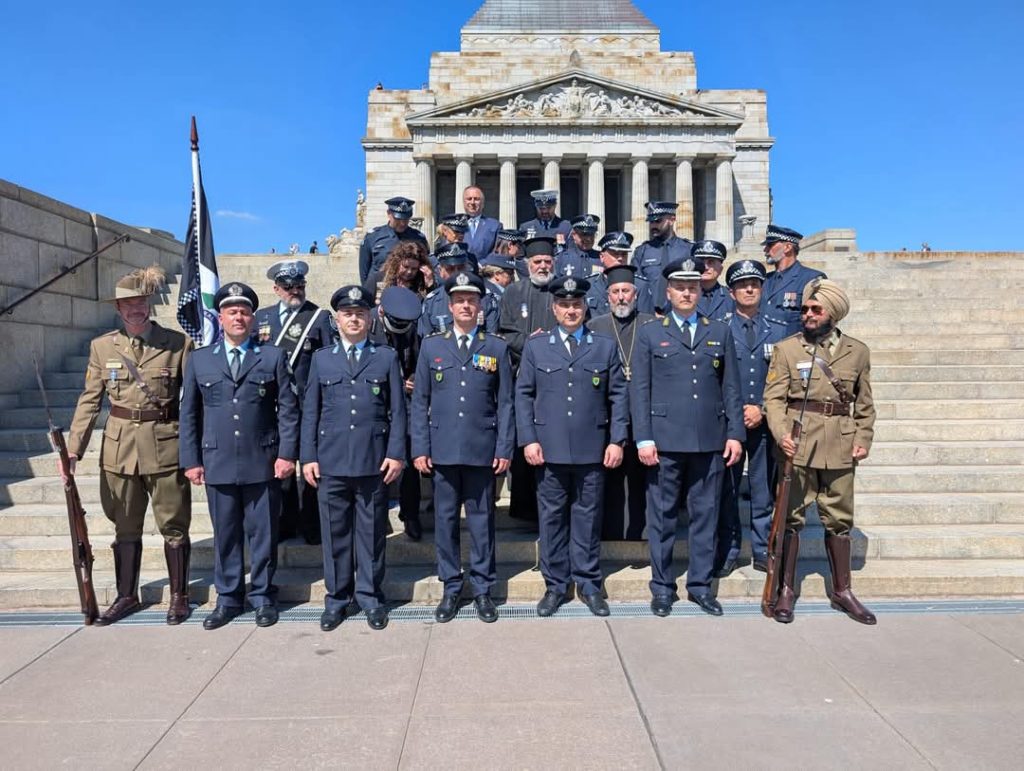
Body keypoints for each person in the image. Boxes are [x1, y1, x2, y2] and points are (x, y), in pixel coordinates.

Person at [66, 265, 193, 625]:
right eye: (128, 304)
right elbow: (90, 400)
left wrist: (195, 449)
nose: (135, 309)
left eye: (141, 303)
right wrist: (73, 449)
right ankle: (126, 596)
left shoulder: (177, 343)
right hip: (120, 449)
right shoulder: (102, 346)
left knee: (174, 524)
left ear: (149, 304)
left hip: (165, 444)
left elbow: (193, 401)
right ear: (118, 309)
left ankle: (179, 596)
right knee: (124, 526)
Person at [179, 282, 299, 630]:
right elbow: (189, 414)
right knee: (226, 535)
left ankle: (262, 596)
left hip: (263, 461)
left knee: (264, 534)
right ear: (220, 317)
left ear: (252, 318)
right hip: (217, 461)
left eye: (244, 312)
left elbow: (288, 410)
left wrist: (287, 454)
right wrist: (191, 460)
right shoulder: (200, 360)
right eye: (232, 312)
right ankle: (228, 598)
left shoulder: (272, 356)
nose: (238, 317)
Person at [632, 256, 745, 617]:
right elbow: (640, 390)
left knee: (705, 516)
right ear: (668, 292)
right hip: (664, 441)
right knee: (662, 519)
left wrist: (735, 434)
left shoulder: (719, 331)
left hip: (709, 439)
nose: (686, 293)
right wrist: (643, 438)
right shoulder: (651, 332)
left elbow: (731, 387)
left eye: (692, 287)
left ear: (700, 291)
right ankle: (662, 588)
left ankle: (700, 586)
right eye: (680, 287)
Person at [763, 278, 877, 625]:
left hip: (840, 442)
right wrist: (781, 433)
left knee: (839, 519)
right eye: (805, 309)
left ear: (833, 314)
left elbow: (865, 404)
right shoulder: (787, 349)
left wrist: (863, 437)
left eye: (816, 309)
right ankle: (786, 590)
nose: (808, 315)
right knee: (791, 517)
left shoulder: (857, 352)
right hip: (799, 444)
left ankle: (842, 591)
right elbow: (774, 400)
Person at [515, 275, 629, 617]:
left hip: (592, 448)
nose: (570, 310)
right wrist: (528, 439)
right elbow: (523, 395)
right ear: (554, 309)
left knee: (588, 519)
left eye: (576, 304)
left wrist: (617, 440)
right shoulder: (537, 347)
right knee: (551, 520)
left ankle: (589, 584)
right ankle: (555, 585)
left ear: (584, 307)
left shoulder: (604, 346)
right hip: (548, 450)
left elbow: (618, 396)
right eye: (564, 305)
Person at [302, 285, 406, 632]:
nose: (354, 319)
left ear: (370, 318)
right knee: (335, 535)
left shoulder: (385, 357)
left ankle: (371, 597)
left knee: (372, 533)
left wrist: (396, 453)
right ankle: (337, 599)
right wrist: (308, 456)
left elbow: (398, 411)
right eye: (348, 314)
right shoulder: (322, 359)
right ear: (337, 320)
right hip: (330, 461)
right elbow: (311, 411)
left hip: (373, 461)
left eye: (360, 313)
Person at [412, 272, 514, 623]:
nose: (466, 306)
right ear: (450, 306)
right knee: (444, 522)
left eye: (472, 300)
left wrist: (504, 447)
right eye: (460, 300)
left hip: (482, 449)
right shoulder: (432, 347)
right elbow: (420, 401)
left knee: (482, 521)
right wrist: (420, 447)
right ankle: (451, 587)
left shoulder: (496, 347)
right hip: (441, 450)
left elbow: (505, 403)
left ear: (480, 305)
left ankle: (483, 588)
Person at [713, 260, 788, 577]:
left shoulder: (780, 328)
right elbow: (712, 378)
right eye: (742, 285)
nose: (749, 289)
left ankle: (762, 549)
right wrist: (736, 411)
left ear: (762, 288)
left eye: (754, 284)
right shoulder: (718, 327)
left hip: (764, 422)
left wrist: (762, 408)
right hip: (729, 423)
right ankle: (729, 549)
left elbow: (784, 379)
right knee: (727, 489)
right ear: (731, 292)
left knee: (762, 489)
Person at [254, 260, 335, 545]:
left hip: (309, 403)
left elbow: (329, 358)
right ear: (276, 289)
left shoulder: (318, 317)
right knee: (281, 467)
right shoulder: (261, 318)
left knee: (312, 466)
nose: (295, 291)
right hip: (274, 405)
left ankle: (312, 525)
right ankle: (285, 522)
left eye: (299, 285)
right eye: (288, 286)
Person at [588, 265, 655, 540]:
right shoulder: (595, 326)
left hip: (644, 409)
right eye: (615, 292)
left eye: (626, 291)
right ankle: (611, 530)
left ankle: (643, 530)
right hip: (608, 410)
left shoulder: (651, 325)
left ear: (635, 294)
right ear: (608, 296)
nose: (621, 297)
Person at [499, 236, 559, 524]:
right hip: (523, 377)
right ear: (528, 264)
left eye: (547, 261)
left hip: (557, 380)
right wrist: (531, 342)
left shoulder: (563, 292)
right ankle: (525, 512)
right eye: (538, 262)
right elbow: (504, 333)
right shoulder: (513, 292)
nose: (543, 266)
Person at [369, 286, 429, 541]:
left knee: (409, 456)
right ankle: (378, 515)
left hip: (403, 403)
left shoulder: (410, 326)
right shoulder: (368, 325)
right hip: (373, 402)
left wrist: (413, 378)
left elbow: (417, 360)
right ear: (382, 312)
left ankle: (410, 513)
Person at [418, 242, 500, 337]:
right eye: (450, 269)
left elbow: (491, 338)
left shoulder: (486, 299)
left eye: (461, 268)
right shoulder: (432, 302)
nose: (456, 273)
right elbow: (426, 340)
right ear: (440, 271)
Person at [759, 224, 825, 336]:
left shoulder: (811, 279)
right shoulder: (764, 280)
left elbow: (818, 320)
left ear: (788, 247)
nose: (765, 250)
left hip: (794, 344)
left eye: (770, 245)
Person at [631, 201, 694, 312]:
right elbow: (636, 285)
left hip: (681, 312)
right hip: (649, 314)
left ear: (672, 220)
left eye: (658, 221)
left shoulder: (688, 249)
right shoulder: (642, 252)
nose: (653, 226)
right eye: (651, 222)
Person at [358, 196, 429, 284]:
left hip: (409, 289)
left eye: (406, 219)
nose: (402, 223)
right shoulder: (372, 237)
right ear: (389, 214)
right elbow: (364, 274)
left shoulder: (419, 238)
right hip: (380, 289)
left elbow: (426, 267)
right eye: (398, 219)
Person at [585, 231, 656, 318]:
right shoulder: (589, 285)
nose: (620, 258)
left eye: (624, 254)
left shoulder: (639, 285)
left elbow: (647, 320)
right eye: (615, 254)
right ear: (602, 257)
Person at [363, 240, 434, 302]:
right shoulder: (379, 279)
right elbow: (364, 305)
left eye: (414, 269)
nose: (409, 272)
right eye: (405, 267)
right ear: (397, 263)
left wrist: (430, 286)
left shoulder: (421, 286)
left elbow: (433, 306)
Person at [694, 240, 735, 321]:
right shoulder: (685, 295)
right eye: (701, 262)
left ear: (720, 269)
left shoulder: (731, 297)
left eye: (711, 262)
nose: (706, 267)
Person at [463, 185, 503, 259]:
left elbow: (497, 252)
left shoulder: (495, 226)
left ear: (483, 203)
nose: (472, 202)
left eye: (476, 199)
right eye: (469, 199)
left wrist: (482, 264)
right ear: (464, 202)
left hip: (485, 266)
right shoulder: (454, 225)